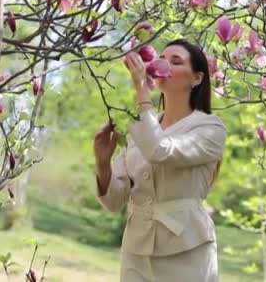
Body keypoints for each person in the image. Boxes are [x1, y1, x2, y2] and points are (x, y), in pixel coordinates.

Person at [93, 39, 227, 282]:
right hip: (136, 248)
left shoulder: (210, 128)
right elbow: (114, 202)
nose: (164, 65)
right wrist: (103, 164)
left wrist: (141, 90)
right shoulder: (139, 125)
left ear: (196, 78)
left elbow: (160, 151)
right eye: (162, 58)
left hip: (187, 247)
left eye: (176, 61)